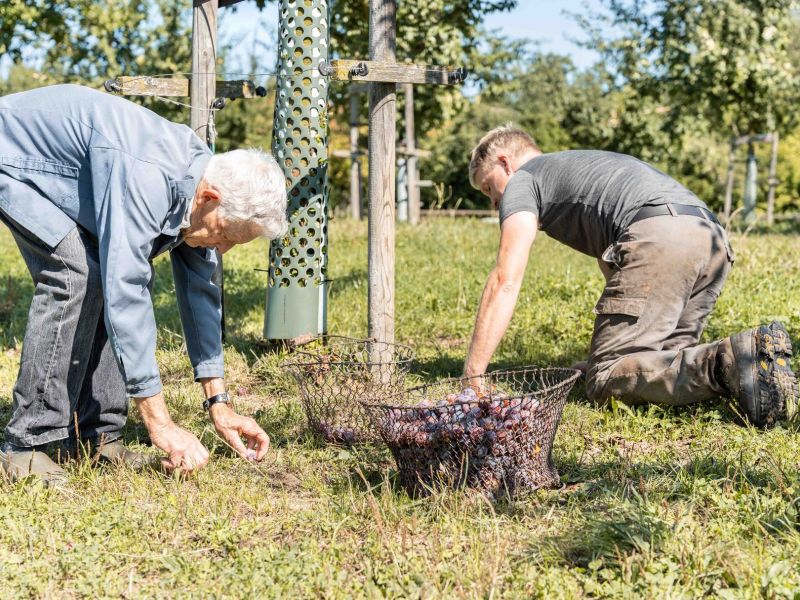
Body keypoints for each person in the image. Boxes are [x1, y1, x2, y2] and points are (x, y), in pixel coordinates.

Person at [0, 84, 288, 486]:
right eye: (226, 236)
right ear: (209, 197)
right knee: (76, 272)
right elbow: (126, 292)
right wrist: (161, 424)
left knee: (99, 272)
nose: (222, 249)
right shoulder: (148, 178)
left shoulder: (198, 191)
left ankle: (97, 437)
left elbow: (201, 295)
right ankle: (26, 444)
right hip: (14, 156)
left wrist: (219, 403)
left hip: (71, 170)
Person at [463, 124, 798, 426]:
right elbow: (614, 262)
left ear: (506, 163)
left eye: (489, 187)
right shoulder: (578, 165)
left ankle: (730, 360)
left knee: (606, 380)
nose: (494, 202)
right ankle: (753, 374)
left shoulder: (524, 179)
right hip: (710, 238)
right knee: (663, 364)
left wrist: (473, 377)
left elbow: (505, 279)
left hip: (660, 237)